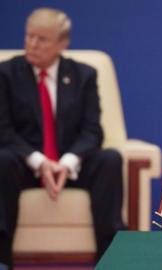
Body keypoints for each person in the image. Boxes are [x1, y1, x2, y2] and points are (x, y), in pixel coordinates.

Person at [0, 8, 124, 268]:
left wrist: (66, 163)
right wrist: (39, 161)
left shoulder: (84, 75)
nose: (32, 44)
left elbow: (93, 131)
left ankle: (112, 261)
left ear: (62, 44)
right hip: (23, 163)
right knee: (2, 159)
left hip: (70, 165)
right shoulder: (7, 74)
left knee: (110, 159)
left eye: (42, 39)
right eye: (29, 36)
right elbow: (4, 129)